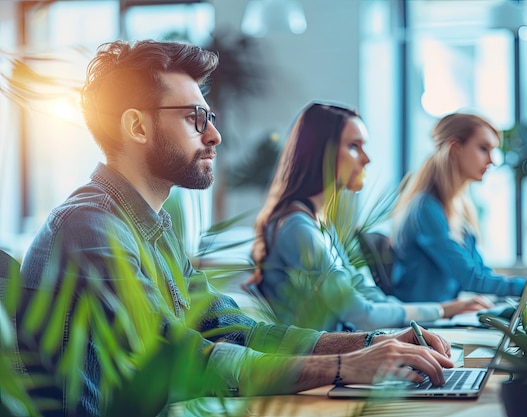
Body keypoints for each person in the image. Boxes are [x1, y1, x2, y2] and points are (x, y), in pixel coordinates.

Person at [16, 40, 454, 417]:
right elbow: (180, 359)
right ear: (136, 125)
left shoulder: (153, 227)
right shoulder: (87, 227)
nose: (215, 136)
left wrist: (371, 343)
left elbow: (234, 329)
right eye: (195, 118)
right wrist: (345, 368)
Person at [249, 102, 492, 332]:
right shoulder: (297, 228)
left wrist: (439, 312)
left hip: (348, 349)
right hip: (325, 365)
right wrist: (443, 310)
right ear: (323, 153)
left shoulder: (321, 225)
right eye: (354, 147)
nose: (366, 159)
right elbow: (362, 314)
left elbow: (370, 295)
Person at [389, 112, 527, 303]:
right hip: (424, 328)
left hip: (447, 318)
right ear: (455, 149)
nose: (492, 160)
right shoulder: (425, 208)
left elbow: (480, 274)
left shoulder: (457, 208)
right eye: (483, 148)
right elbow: (474, 281)